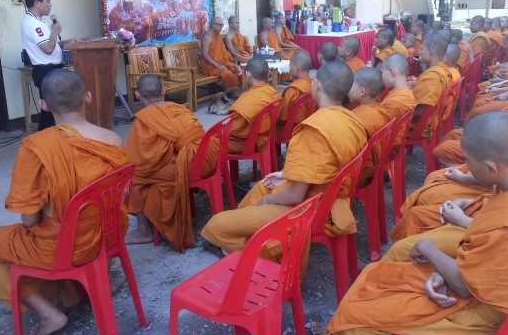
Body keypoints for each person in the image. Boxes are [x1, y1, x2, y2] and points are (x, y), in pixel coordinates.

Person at [319, 111, 508, 335]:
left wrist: (428, 249)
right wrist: (442, 271)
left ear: (491, 167)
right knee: (375, 277)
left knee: (353, 326)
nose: (466, 167)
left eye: (468, 161)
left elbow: (463, 286)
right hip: (483, 284)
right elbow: (487, 259)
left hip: (489, 318)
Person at [0, 69, 126, 335]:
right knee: (74, 222)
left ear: (43, 105)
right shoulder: (112, 140)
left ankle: (49, 314)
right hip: (108, 233)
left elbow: (29, 218)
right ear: (87, 97)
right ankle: (85, 287)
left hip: (64, 249)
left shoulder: (36, 147)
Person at [201, 61, 367, 270]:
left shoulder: (315, 129)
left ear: (317, 85)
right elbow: (325, 165)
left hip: (309, 208)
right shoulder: (352, 120)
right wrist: (287, 174)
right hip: (326, 196)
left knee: (216, 225)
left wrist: (267, 202)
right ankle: (249, 231)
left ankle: (248, 249)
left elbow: (296, 196)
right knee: (263, 186)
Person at [390, 94, 508, 247]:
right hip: (488, 211)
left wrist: (461, 220)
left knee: (407, 239)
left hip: (486, 231)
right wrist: (467, 195)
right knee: (421, 207)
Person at [124, 74, 219, 251]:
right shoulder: (179, 108)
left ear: (137, 95)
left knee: (134, 175)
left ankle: (144, 231)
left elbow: (143, 159)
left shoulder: (144, 118)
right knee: (150, 173)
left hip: (189, 166)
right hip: (210, 156)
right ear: (163, 91)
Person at [21, 0, 77, 130]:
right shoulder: (32, 23)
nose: (50, 4)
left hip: (52, 69)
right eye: (48, 1)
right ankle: (45, 140)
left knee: (55, 109)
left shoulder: (39, 21)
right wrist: (54, 32)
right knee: (50, 111)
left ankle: (53, 139)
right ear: (37, 2)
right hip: (46, 71)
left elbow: (51, 45)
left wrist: (66, 42)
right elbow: (47, 49)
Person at [228, 58, 279, 153]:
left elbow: (234, 130)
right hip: (266, 137)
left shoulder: (246, 100)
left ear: (248, 74)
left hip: (251, 142)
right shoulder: (272, 92)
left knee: (209, 144)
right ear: (268, 73)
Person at [349, 68, 391, 181]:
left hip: (361, 173)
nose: (348, 88)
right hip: (375, 165)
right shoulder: (380, 110)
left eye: (351, 85)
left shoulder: (357, 117)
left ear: (362, 91)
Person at [411, 34, 453, 138]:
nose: (420, 52)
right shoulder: (442, 69)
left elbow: (420, 111)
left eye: (422, 49)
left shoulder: (433, 77)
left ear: (430, 51)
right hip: (431, 118)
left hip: (420, 126)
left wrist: (397, 117)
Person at [276, 50, 313, 135]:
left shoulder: (293, 90)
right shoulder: (312, 84)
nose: (289, 69)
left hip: (293, 130)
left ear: (296, 68)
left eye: (290, 66)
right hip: (308, 125)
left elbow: (282, 117)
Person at [200, 15, 242, 89]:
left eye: (222, 25)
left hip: (221, 62)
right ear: (213, 25)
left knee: (236, 69)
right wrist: (218, 66)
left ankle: (238, 90)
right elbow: (204, 54)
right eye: (220, 25)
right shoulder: (207, 37)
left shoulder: (217, 35)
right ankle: (231, 92)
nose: (222, 27)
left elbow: (222, 52)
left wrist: (231, 63)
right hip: (210, 66)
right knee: (228, 74)